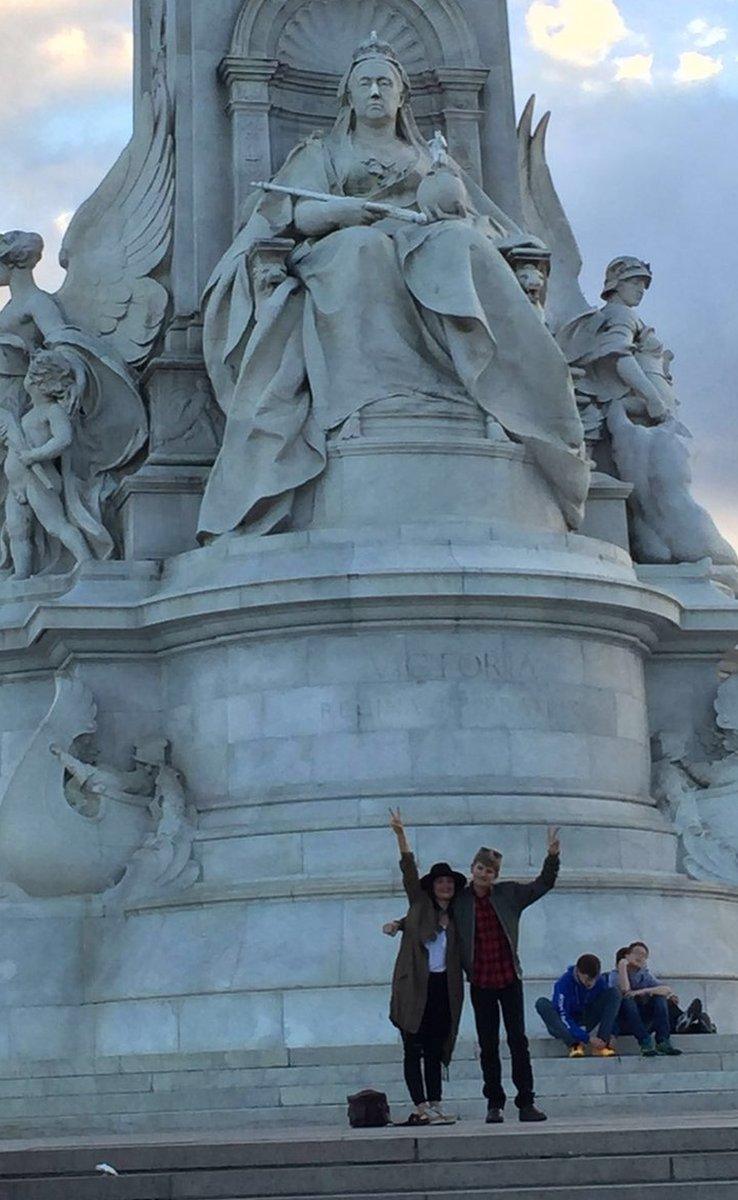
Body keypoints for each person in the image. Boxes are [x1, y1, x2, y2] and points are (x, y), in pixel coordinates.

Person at [199, 33, 588, 540]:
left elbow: (469, 214)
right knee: (363, 250)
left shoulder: (428, 156)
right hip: (340, 247)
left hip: (419, 242)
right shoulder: (323, 151)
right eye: (366, 83)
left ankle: (488, 387)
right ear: (349, 96)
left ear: (403, 96)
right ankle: (368, 401)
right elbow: (283, 214)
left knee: (458, 247)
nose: (376, 91)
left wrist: (446, 209)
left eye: (386, 82)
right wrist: (337, 212)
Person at [452, 829, 560, 1124]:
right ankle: (494, 1102)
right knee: (488, 1044)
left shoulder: (509, 894)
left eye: (490, 870)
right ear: (472, 869)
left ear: (496, 875)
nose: (484, 873)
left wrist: (552, 857)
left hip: (509, 977)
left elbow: (543, 885)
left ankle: (526, 1101)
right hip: (481, 981)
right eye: (480, 868)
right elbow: (426, 907)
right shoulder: (459, 901)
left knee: (517, 1041)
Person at [383, 808, 465, 1125]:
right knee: (411, 1047)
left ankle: (435, 1102)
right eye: (440, 882)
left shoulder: (459, 915)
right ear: (432, 886)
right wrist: (401, 835)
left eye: (449, 882)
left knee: (434, 1047)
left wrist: (399, 924)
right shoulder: (418, 904)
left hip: (443, 987)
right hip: (413, 985)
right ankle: (419, 1105)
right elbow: (407, 870)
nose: (445, 886)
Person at [535, 955, 621, 1057]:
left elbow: (611, 1010)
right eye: (587, 979)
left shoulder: (599, 982)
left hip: (587, 1018)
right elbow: (563, 1015)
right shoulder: (564, 983)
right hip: (565, 1026)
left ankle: (602, 1043)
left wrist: (613, 1032)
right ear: (578, 972)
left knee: (614, 993)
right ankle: (574, 1045)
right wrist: (585, 1037)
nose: (591, 983)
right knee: (542, 1003)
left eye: (594, 979)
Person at [610, 942, 683, 1057]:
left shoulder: (645, 974)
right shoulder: (614, 975)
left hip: (644, 1018)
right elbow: (625, 991)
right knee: (628, 1000)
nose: (641, 957)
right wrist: (622, 966)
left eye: (644, 956)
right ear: (627, 956)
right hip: (625, 1021)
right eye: (637, 953)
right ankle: (645, 1042)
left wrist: (643, 991)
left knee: (660, 997)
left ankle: (662, 1041)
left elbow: (666, 989)